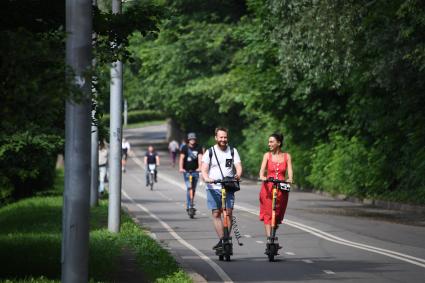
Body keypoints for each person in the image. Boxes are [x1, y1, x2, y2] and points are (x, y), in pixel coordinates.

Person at [201, 127, 242, 250]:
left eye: (225, 137)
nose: (223, 139)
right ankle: (222, 240)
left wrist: (238, 175)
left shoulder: (233, 151)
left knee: (228, 213)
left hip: (228, 186)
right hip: (213, 187)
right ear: (216, 138)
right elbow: (204, 169)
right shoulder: (210, 152)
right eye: (221, 137)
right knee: (216, 213)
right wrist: (207, 178)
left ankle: (226, 239)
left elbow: (238, 166)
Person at [258, 133, 293, 240]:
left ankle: (272, 234)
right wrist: (262, 177)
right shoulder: (267, 155)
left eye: (271, 142)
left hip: (281, 188)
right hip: (268, 188)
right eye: (269, 142)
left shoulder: (287, 156)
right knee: (268, 213)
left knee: (277, 215)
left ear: (279, 143)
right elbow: (261, 171)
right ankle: (270, 240)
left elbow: (290, 171)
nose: (269, 144)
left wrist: (290, 178)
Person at [179, 133, 203, 212]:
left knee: (193, 189)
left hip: (195, 171)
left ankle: (191, 202)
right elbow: (182, 158)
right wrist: (181, 168)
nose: (192, 140)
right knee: (189, 188)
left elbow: (200, 158)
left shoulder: (198, 147)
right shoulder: (184, 148)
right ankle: (189, 205)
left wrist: (200, 167)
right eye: (191, 139)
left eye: (194, 139)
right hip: (186, 172)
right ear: (188, 140)